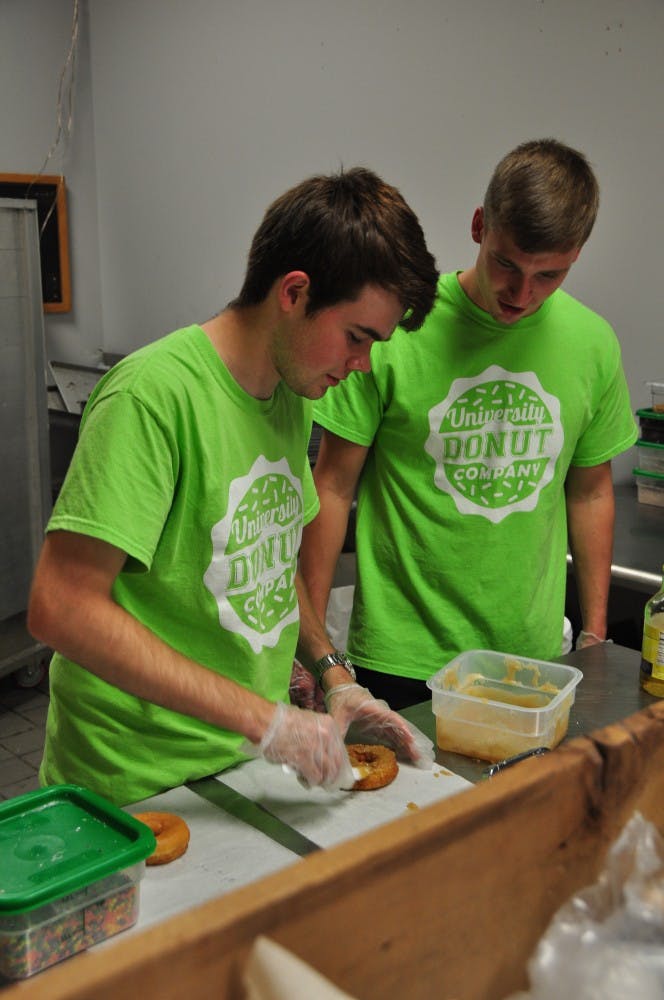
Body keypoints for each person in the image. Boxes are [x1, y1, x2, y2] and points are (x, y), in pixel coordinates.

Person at [27, 166, 439, 805]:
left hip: (240, 771)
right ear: (295, 291)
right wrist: (266, 722)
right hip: (132, 787)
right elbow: (62, 607)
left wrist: (332, 673)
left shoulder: (290, 392)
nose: (361, 367)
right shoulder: (153, 397)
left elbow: (268, 567)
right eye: (357, 337)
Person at [298, 139, 638, 709]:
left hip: (531, 659)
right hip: (401, 657)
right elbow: (331, 487)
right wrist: (313, 652)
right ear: (480, 226)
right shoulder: (396, 331)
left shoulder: (593, 343)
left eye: (547, 275)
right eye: (507, 264)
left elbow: (590, 490)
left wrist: (595, 636)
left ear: (576, 254)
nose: (521, 294)